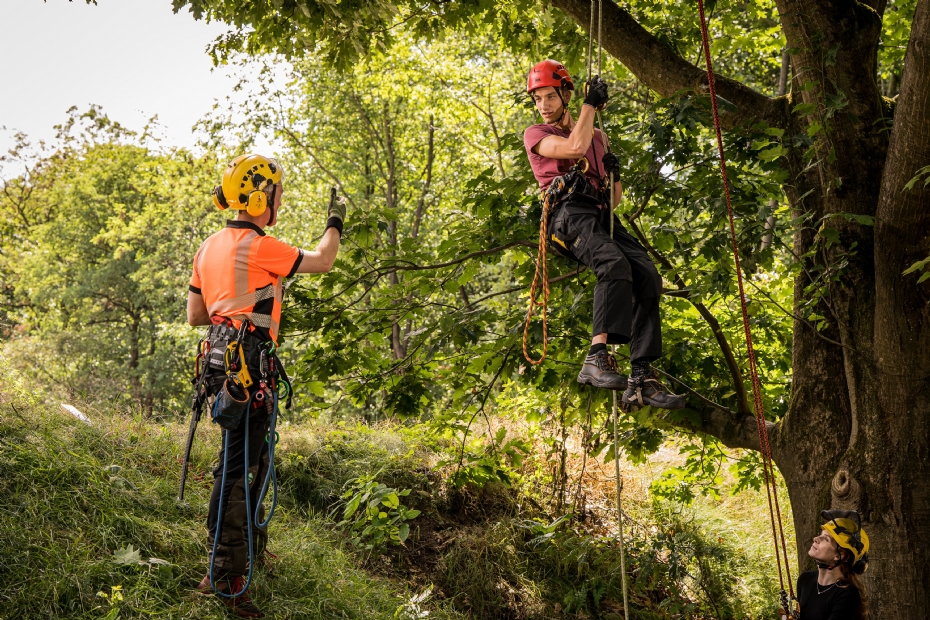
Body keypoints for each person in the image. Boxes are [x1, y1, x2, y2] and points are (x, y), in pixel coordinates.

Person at [187, 154, 345, 618]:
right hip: (247, 367)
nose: (280, 200)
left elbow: (196, 315)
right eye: (276, 193)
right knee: (235, 470)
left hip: (221, 364)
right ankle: (223, 575)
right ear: (261, 198)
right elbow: (324, 259)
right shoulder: (261, 246)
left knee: (250, 459)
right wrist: (334, 222)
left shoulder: (208, 246)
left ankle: (247, 551)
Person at [523, 59, 684, 409]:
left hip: (600, 213)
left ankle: (642, 376)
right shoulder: (538, 135)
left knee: (647, 275)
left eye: (549, 97)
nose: (543, 106)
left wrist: (615, 174)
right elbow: (573, 149)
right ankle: (596, 357)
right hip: (569, 215)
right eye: (538, 100)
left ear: (565, 94)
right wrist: (590, 104)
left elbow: (613, 200)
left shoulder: (599, 137)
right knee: (612, 264)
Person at [796, 509, 870, 620]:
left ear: (841, 555)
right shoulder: (805, 580)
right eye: (820, 535)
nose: (816, 539)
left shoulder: (847, 595)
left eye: (826, 539)